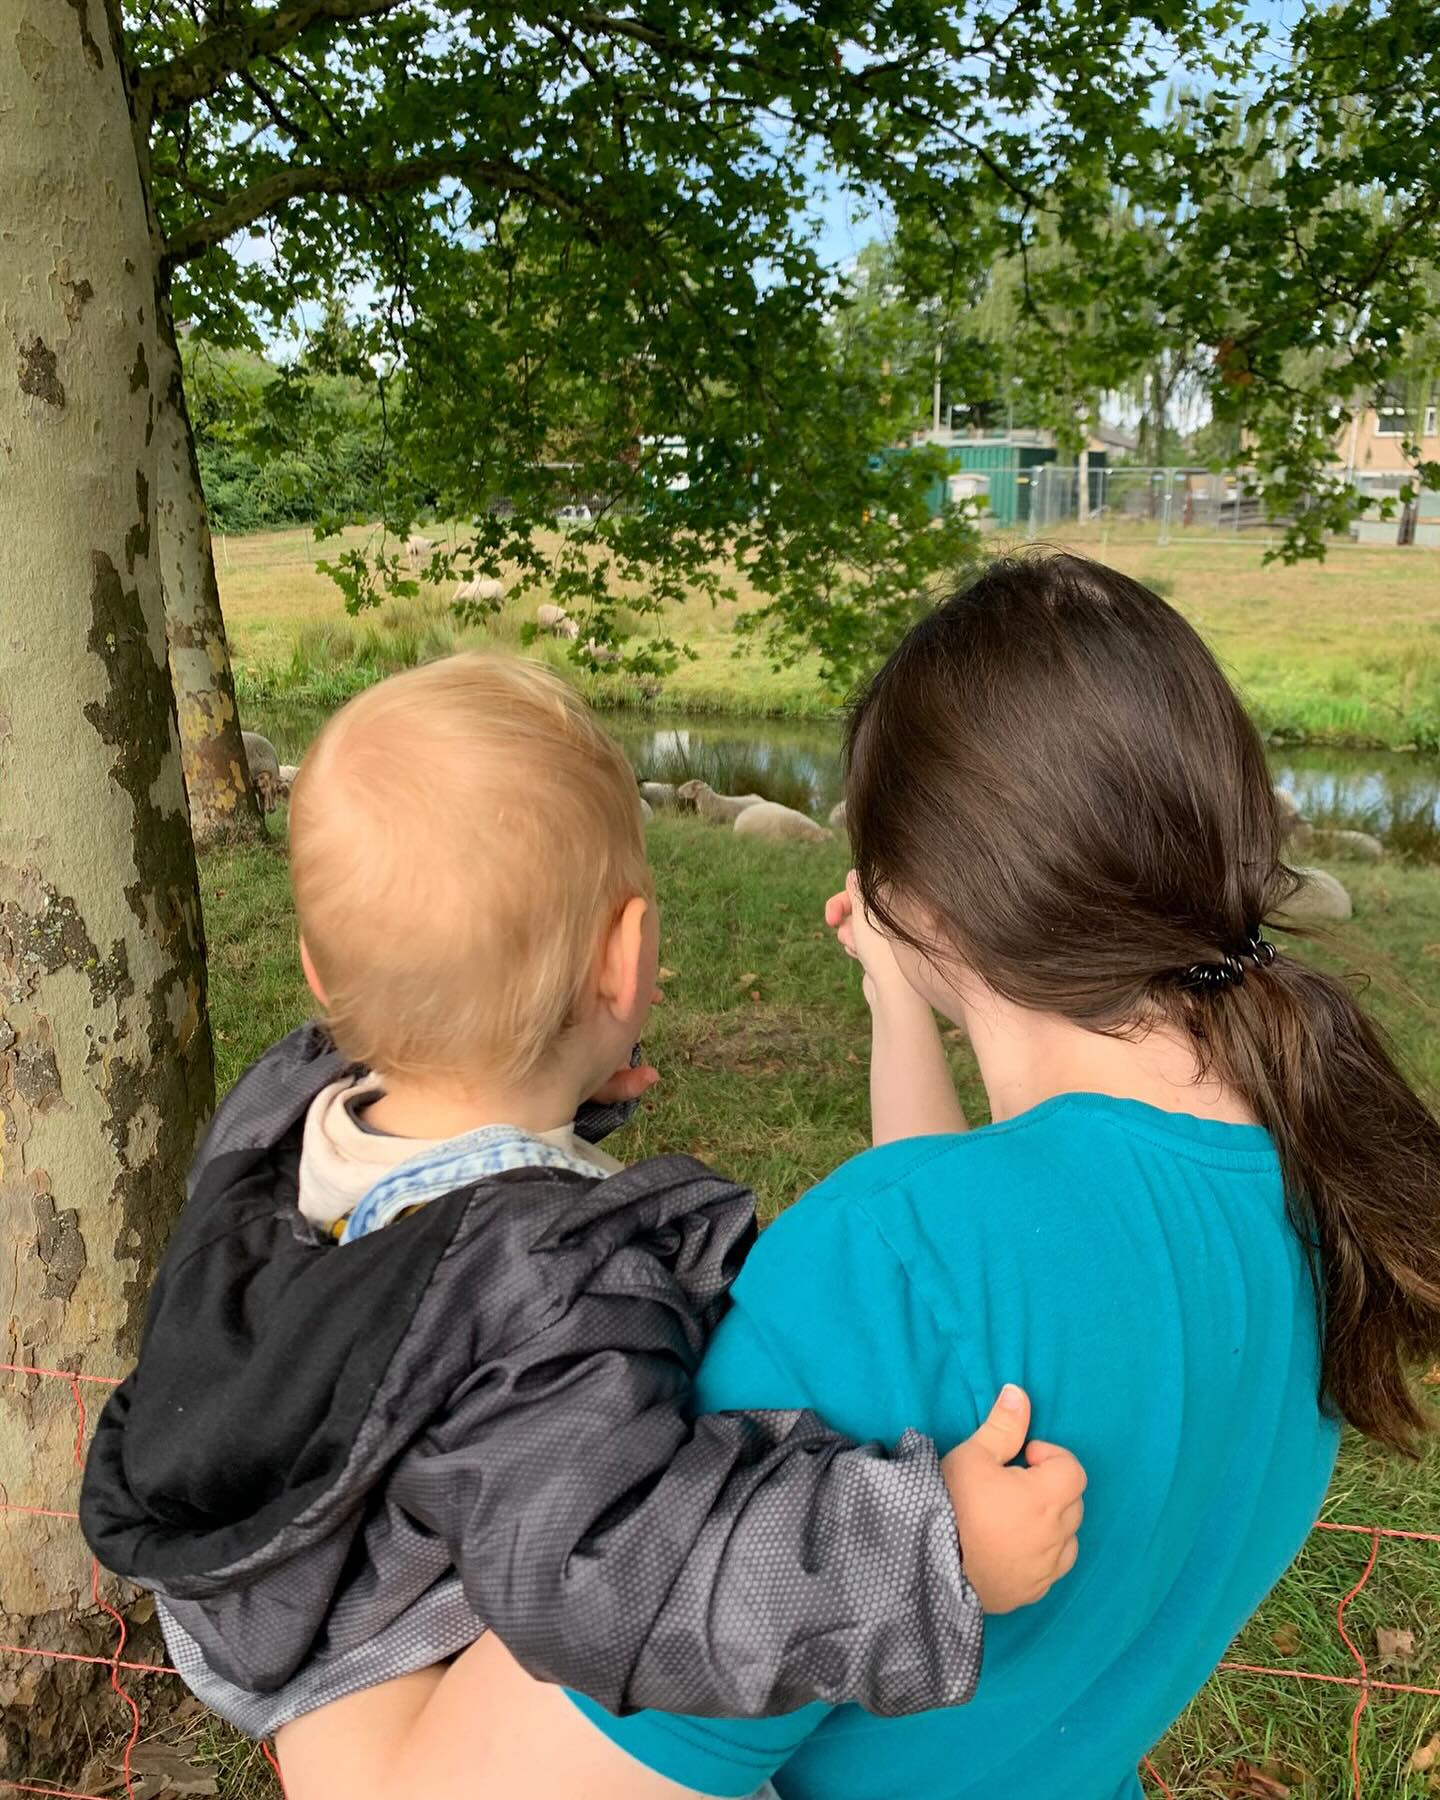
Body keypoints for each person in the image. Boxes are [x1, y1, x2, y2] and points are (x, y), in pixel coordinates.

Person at [275, 553, 1440, 1800]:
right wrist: (903, 993)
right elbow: (999, 1247)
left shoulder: (891, 1259)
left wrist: (280, 1608)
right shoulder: (1322, 1197)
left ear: (917, 890)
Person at [80, 652, 1085, 1744]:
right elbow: (624, 1567)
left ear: (322, 977)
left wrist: (558, 1077)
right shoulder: (548, 1295)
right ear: (630, 956)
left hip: (243, 1572)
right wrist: (930, 1555)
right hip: (375, 1643)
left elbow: (434, 1152)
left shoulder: (282, 1111)